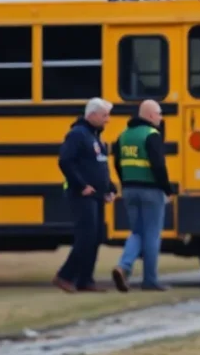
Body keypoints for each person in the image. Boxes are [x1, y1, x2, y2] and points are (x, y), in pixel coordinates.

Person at [54, 97, 117, 293]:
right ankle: (65, 276)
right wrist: (81, 185)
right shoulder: (77, 135)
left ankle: (85, 279)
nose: (108, 120)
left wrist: (110, 188)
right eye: (105, 115)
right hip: (81, 195)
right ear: (92, 115)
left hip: (96, 196)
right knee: (86, 237)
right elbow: (65, 161)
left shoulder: (94, 136)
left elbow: (100, 167)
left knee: (96, 236)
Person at [111, 100, 172, 292]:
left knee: (137, 232)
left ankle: (124, 266)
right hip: (151, 191)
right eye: (159, 114)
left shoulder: (123, 136)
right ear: (151, 115)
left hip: (129, 190)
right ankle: (150, 280)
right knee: (152, 235)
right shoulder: (152, 135)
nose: (161, 118)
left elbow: (117, 163)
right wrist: (167, 189)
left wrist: (125, 183)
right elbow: (159, 166)